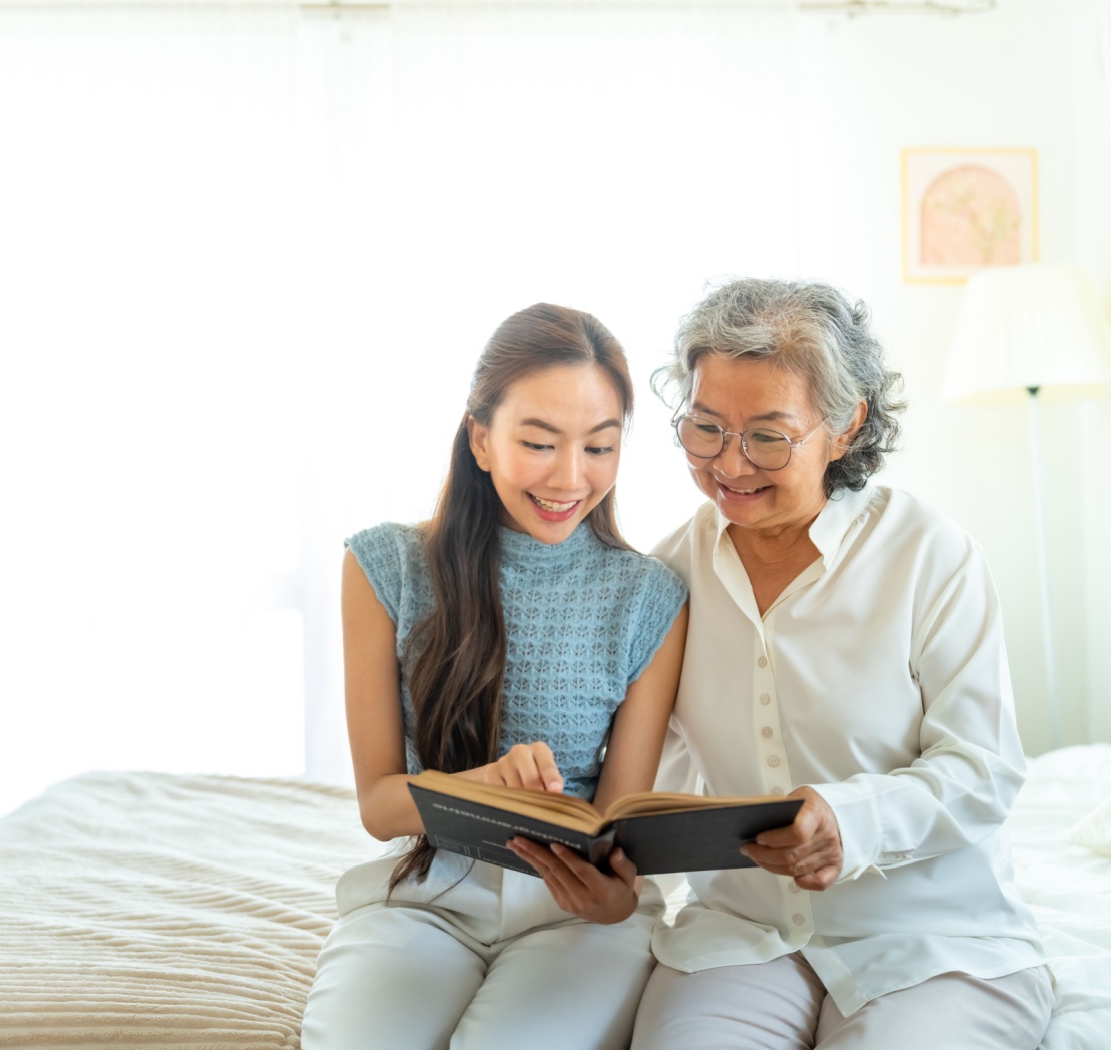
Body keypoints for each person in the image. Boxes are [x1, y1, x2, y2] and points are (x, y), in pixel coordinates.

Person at [630, 278, 1055, 1050]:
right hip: (740, 936)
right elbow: (648, 781)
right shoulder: (667, 576)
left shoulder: (932, 555)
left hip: (936, 944)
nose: (729, 463)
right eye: (704, 427)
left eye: (766, 435)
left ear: (845, 424)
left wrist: (849, 821)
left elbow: (985, 769)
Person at [299, 302, 689, 1050]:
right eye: (539, 443)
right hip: (426, 894)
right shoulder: (385, 568)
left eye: (600, 447)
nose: (570, 477)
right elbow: (381, 806)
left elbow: (616, 826)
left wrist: (614, 897)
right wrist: (486, 784)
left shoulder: (651, 599)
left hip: (574, 915)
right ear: (480, 439)